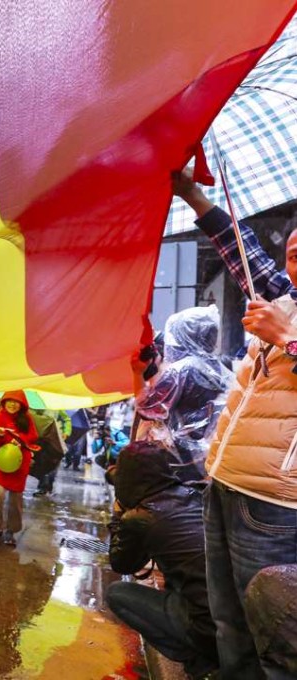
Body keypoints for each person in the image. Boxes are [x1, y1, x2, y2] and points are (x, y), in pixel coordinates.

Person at [174, 168, 297, 678]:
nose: (295, 257)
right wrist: (192, 193)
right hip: (224, 482)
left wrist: (291, 337)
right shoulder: (285, 299)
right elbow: (238, 246)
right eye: (293, 248)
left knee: (272, 634)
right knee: (229, 623)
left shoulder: (286, 317)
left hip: (274, 502)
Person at [106, 442, 218, 679]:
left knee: (118, 594)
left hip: (205, 627)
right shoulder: (193, 493)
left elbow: (121, 564)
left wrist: (118, 516)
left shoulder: (141, 517)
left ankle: (199, 662)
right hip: (230, 620)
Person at [134, 306, 231, 482]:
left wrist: (138, 374)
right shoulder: (223, 372)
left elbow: (148, 409)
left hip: (179, 459)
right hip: (210, 458)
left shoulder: (181, 370)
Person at [0, 391, 38, 546]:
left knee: (15, 500)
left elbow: (33, 436)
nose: (13, 404)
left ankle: (11, 530)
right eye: (10, 401)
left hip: (19, 462)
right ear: (4, 402)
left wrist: (20, 440)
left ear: (22, 404)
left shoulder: (27, 418)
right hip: (1, 462)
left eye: (16, 402)